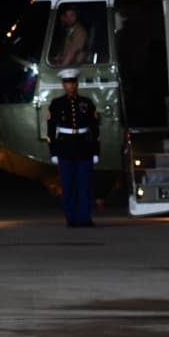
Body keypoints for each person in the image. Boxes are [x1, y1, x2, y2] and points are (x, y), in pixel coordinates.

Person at [46, 68, 100, 227]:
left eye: (73, 83)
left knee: (84, 185)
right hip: (65, 146)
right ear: (63, 85)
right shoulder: (56, 104)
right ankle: (71, 217)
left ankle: (85, 217)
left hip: (83, 146)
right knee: (68, 185)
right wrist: (54, 151)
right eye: (67, 83)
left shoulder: (87, 103)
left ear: (77, 84)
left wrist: (95, 151)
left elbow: (95, 129)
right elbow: (51, 129)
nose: (70, 86)